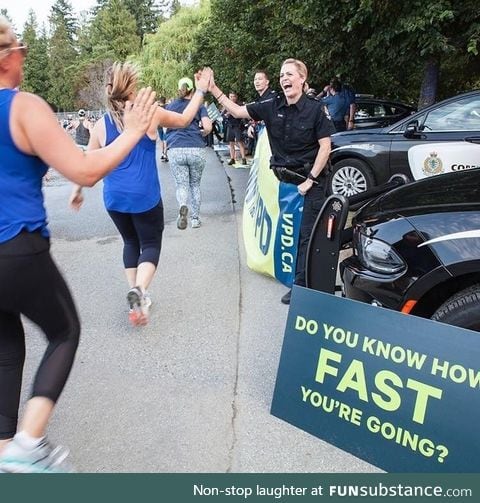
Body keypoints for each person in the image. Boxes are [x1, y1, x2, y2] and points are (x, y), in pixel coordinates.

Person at [0, 17, 156, 473]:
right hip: (16, 248)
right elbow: (84, 170)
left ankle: (6, 447)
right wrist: (132, 131)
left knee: (6, 346)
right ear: (10, 57)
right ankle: (28, 445)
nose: (26, 55)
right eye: (21, 47)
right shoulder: (23, 107)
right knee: (64, 331)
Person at [70, 63, 211, 325]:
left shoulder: (101, 125)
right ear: (132, 88)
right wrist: (201, 90)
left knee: (130, 243)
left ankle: (137, 299)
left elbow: (88, 161)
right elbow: (183, 120)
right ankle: (139, 291)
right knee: (150, 244)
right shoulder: (149, 114)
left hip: (114, 199)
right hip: (144, 197)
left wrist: (77, 190)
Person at [208, 58, 335, 304]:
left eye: (289, 74)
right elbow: (236, 111)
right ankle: (291, 275)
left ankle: (302, 289)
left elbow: (325, 147)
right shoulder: (271, 104)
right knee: (287, 231)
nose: (284, 79)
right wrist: (213, 89)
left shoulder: (315, 109)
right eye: (281, 75)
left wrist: (310, 180)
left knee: (306, 237)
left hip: (310, 184)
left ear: (302, 78)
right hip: (284, 183)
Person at [165, 77, 212, 229]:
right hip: (196, 148)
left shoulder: (170, 106)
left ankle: (183, 206)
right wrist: (203, 133)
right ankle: (195, 219)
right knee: (195, 185)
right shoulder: (198, 106)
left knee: (181, 184)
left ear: (180, 89)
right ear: (192, 90)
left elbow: (165, 128)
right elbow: (208, 127)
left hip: (176, 148)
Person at [223, 92, 247, 165]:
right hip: (230, 126)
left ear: (236, 97)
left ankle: (243, 158)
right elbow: (222, 115)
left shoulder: (239, 105)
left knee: (240, 142)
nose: (232, 98)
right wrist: (226, 115)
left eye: (234, 96)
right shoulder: (227, 105)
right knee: (231, 143)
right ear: (229, 97)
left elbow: (243, 114)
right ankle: (232, 158)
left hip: (238, 125)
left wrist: (234, 112)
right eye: (231, 96)